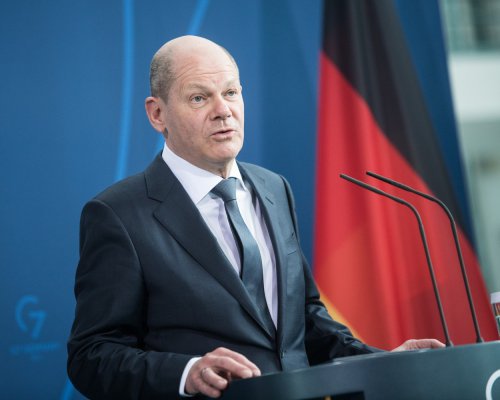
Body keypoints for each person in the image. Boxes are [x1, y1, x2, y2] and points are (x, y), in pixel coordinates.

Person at [67, 35, 444, 399]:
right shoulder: (118, 215)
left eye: (231, 92)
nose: (223, 110)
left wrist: (379, 363)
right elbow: (91, 356)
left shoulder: (273, 188)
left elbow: (303, 319)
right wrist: (187, 373)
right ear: (157, 113)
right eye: (199, 98)